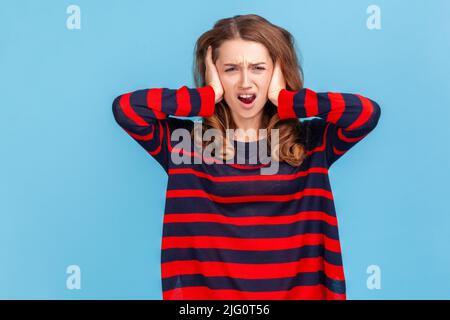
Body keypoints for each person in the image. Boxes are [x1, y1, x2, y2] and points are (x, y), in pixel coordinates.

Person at [112, 14, 381, 300]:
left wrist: (288, 99)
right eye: (230, 69)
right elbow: (127, 109)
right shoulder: (184, 145)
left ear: (278, 72)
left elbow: (365, 113)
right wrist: (205, 96)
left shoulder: (312, 142)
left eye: (258, 68)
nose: (245, 82)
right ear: (213, 74)